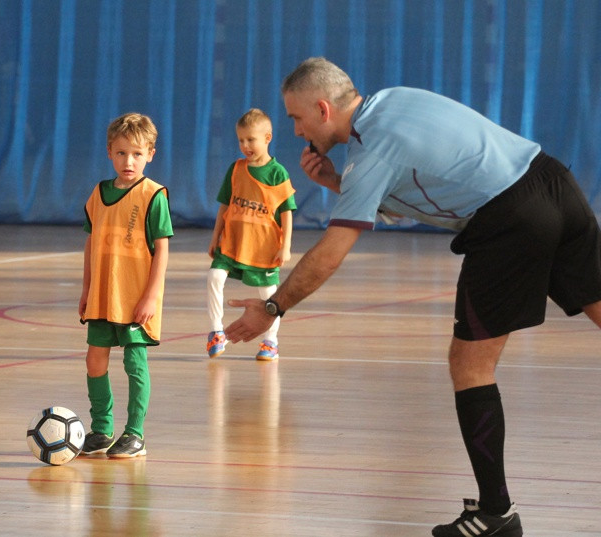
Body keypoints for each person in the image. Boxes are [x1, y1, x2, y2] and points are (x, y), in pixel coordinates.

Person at [224, 57, 601, 537]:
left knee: (470, 367)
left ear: (322, 109)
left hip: (512, 220)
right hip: (553, 182)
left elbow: (331, 253)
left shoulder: (370, 150)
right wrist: (336, 183)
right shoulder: (394, 99)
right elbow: (412, 184)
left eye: (297, 119)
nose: (295, 131)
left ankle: (496, 513)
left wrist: (272, 308)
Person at [78, 112, 173, 458]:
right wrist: (86, 289)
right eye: (121, 153)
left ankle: (135, 433)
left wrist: (152, 296)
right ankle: (102, 429)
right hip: (103, 295)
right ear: (109, 153)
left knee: (135, 364)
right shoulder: (99, 193)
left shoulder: (153, 195)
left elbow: (161, 249)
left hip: (136, 297)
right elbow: (91, 244)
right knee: (94, 361)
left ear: (150, 154)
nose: (128, 161)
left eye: (136, 153)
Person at [206, 108, 296, 361]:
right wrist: (215, 237)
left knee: (269, 297)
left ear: (267, 138)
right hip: (232, 243)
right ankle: (215, 331)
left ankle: (271, 342)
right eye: (241, 140)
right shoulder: (235, 169)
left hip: (263, 248)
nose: (245, 145)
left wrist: (285, 245)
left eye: (251, 140)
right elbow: (224, 206)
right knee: (214, 276)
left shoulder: (277, 172)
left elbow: (287, 212)